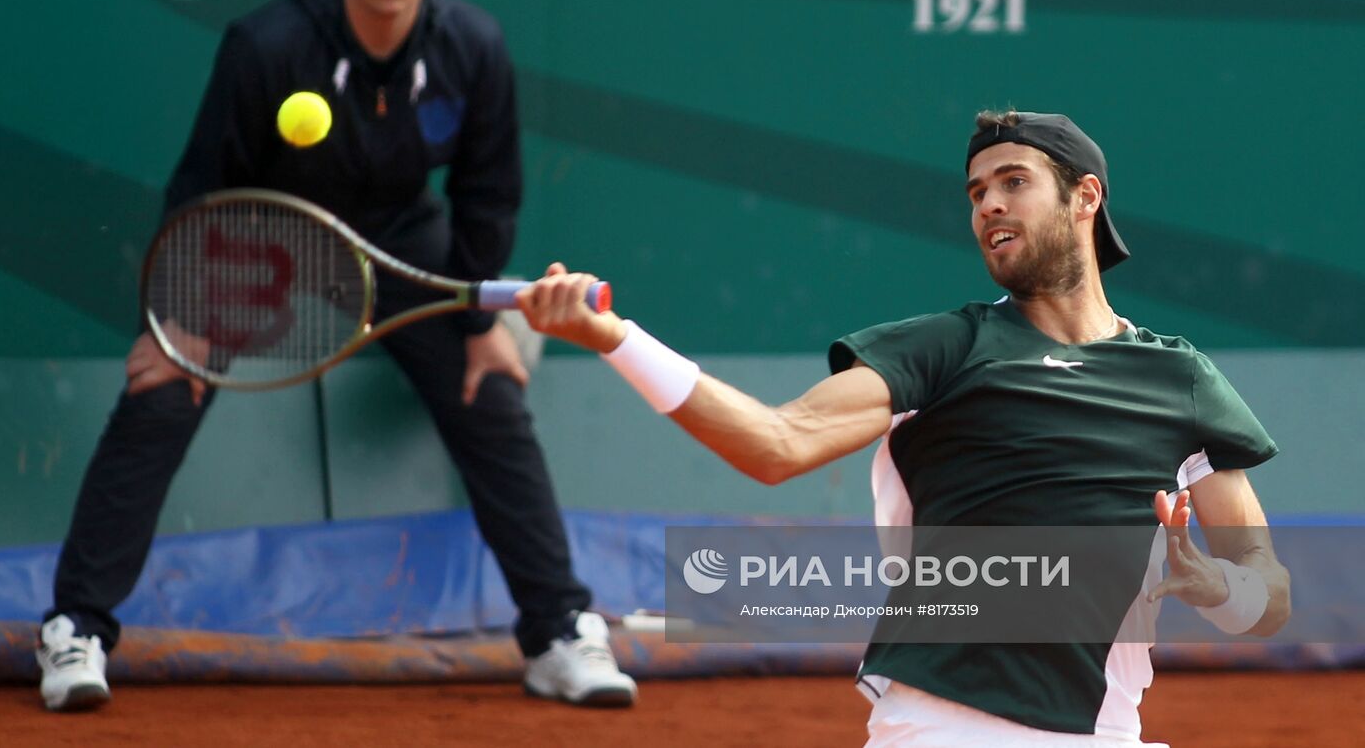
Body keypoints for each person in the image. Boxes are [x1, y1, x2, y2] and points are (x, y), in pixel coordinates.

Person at [35, 0, 635, 713]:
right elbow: (204, 187)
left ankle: (559, 631)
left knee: (491, 391)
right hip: (263, 237)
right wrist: (179, 323)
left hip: (398, 238)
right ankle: (77, 626)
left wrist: (478, 326)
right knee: (164, 389)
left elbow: (486, 196)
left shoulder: (474, 47)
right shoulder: (267, 46)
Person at [516, 110, 1290, 746]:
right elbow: (775, 444)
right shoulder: (945, 348)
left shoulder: (1180, 378)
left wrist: (1214, 584)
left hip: (1106, 730)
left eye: (1014, 182)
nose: (989, 204)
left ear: (1085, 197)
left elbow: (1270, 597)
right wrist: (618, 338)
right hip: (944, 724)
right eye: (977, 190)